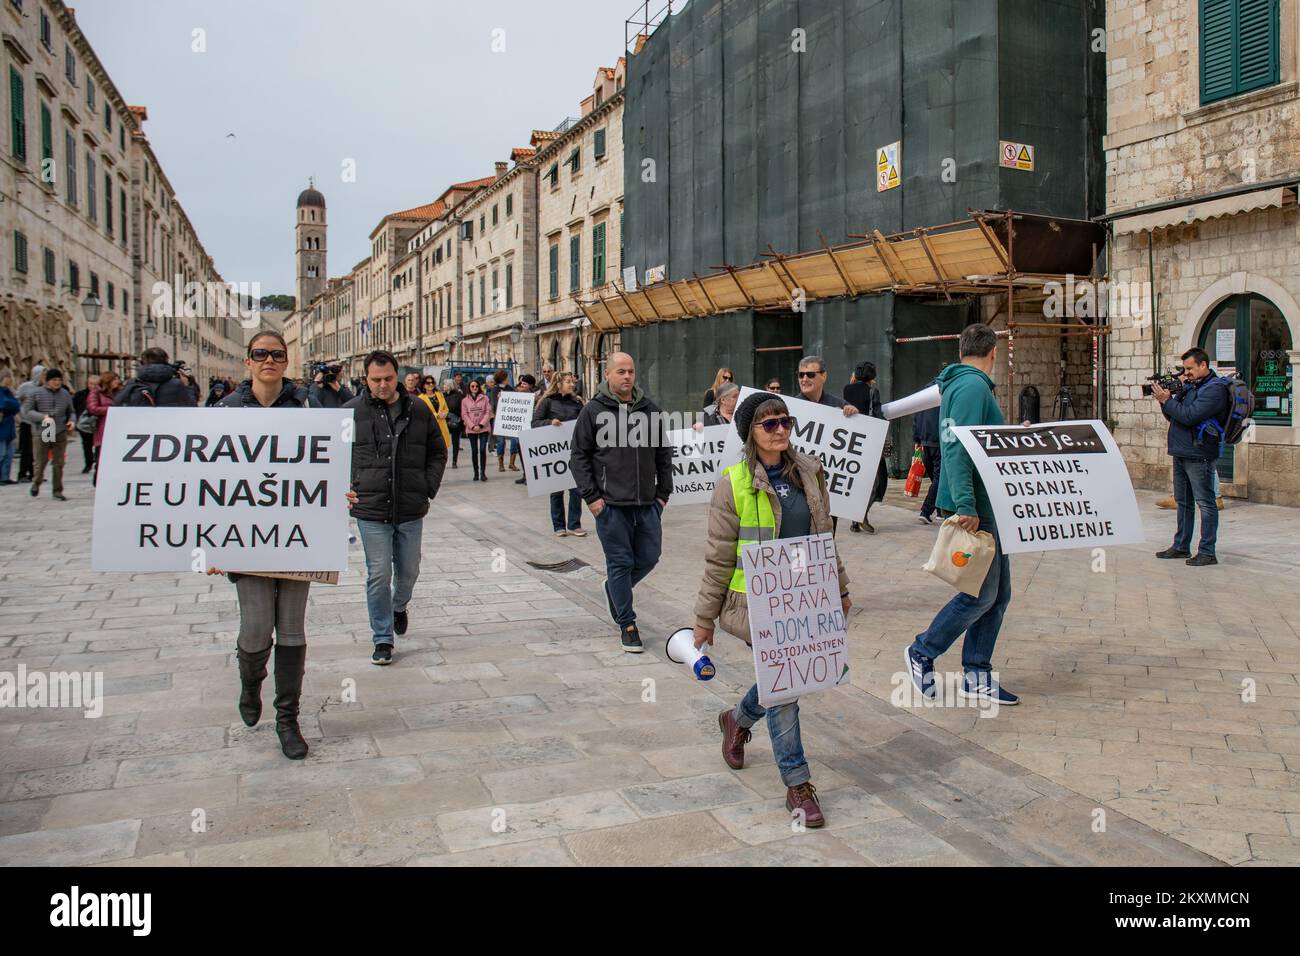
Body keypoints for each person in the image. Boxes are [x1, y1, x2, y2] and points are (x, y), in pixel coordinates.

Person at [693, 391, 849, 828]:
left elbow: (824, 539)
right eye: (769, 424)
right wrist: (704, 620)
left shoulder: (811, 472)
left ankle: (736, 719)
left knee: (779, 680)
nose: (780, 430)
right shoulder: (733, 482)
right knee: (785, 690)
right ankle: (797, 784)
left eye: (785, 421)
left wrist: (839, 587)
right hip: (755, 605)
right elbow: (719, 556)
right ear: (751, 433)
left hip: (805, 599)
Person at [210, 331, 314, 759]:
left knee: (291, 628)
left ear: (286, 362)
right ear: (248, 362)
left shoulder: (307, 409)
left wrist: (338, 493)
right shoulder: (225, 411)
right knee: (255, 628)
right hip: (247, 534)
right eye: (260, 354)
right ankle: (250, 683)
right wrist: (211, 541)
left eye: (276, 354)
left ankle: (287, 719)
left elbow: (325, 466)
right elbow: (206, 481)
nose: (268, 360)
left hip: (298, 532)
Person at [905, 324, 1019, 706]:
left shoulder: (962, 384)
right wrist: (966, 505)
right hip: (980, 507)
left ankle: (977, 673)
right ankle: (923, 651)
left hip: (988, 504)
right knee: (979, 596)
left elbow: (980, 440)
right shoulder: (972, 386)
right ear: (994, 353)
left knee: (998, 596)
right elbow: (956, 447)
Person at [344, 351, 447, 665]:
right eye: (376, 380)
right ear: (366, 379)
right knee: (378, 574)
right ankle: (383, 639)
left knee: (408, 571)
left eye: (388, 378)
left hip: (410, 506)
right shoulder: (350, 412)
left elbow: (438, 451)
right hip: (370, 507)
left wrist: (426, 487)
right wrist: (343, 486)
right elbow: (333, 456)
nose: (383, 385)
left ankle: (399, 605)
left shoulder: (418, 408)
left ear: (397, 376)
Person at [569, 351, 673, 653]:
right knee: (621, 563)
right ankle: (627, 624)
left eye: (631, 371)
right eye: (621, 372)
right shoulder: (593, 411)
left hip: (647, 504)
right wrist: (592, 499)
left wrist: (663, 494)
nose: (627, 376)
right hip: (611, 506)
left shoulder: (649, 410)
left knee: (650, 557)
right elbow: (579, 456)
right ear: (608, 375)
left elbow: (663, 454)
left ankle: (614, 590)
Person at [1152, 347, 1230, 567]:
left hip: (1200, 453)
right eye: (1184, 369)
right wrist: (1163, 401)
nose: (1185, 374)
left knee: (1206, 503)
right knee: (1183, 502)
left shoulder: (1215, 390)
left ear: (1203, 365)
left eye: (1189, 369)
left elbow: (1189, 416)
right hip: (1181, 450)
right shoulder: (1190, 386)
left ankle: (1207, 551)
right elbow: (1173, 416)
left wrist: (1169, 401)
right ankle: (1180, 546)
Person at [533, 372, 587, 537]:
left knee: (576, 489)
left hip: (573, 451)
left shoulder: (577, 402)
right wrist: (550, 422)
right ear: (559, 384)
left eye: (572, 382)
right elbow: (534, 423)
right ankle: (559, 526)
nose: (572, 384)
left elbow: (585, 423)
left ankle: (574, 524)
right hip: (554, 452)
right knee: (556, 490)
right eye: (569, 382)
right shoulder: (547, 402)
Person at [844, 362, 888, 534]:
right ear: (873, 377)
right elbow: (876, 413)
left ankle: (855, 520)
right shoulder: (872, 391)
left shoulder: (847, 389)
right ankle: (861, 515)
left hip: (851, 439)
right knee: (875, 481)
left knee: (856, 478)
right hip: (869, 439)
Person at [21, 367, 75, 500]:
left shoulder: (65, 394)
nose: (57, 382)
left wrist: (72, 421)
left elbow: (71, 411)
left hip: (60, 430)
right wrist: (42, 417)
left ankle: (57, 490)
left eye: (59, 380)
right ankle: (36, 482)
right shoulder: (36, 393)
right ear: (47, 381)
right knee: (41, 460)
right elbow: (27, 412)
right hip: (44, 429)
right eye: (54, 380)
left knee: (59, 462)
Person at [115, 348, 197, 407]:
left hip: (140, 429)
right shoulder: (176, 384)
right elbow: (191, 408)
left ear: (142, 363)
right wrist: (187, 386)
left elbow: (117, 405)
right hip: (169, 429)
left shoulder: (132, 383)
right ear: (166, 362)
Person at [86, 372, 122, 486]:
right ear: (109, 381)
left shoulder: (120, 392)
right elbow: (92, 408)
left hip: (118, 429)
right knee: (101, 459)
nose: (118, 381)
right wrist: (111, 410)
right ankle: (98, 483)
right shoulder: (96, 393)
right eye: (115, 379)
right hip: (102, 430)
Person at [913, 402, 942, 524]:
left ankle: (940, 510)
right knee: (939, 478)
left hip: (925, 442)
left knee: (936, 478)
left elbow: (916, 418)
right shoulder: (945, 393)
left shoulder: (925, 396)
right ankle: (926, 511)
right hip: (939, 442)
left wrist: (917, 439)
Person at [14, 363, 44, 482]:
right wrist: (22, 412)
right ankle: (22, 474)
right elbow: (16, 399)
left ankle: (35, 474)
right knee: (27, 450)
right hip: (27, 422)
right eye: (43, 374)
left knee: (39, 450)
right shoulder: (25, 386)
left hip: (41, 422)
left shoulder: (45, 388)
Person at [461, 378, 493, 480]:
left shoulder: (485, 398)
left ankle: (483, 473)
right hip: (471, 429)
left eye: (476, 386)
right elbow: (464, 414)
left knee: (482, 449)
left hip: (483, 428)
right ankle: (476, 472)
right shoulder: (464, 400)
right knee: (474, 451)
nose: (474, 388)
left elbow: (488, 412)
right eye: (472, 386)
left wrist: (481, 425)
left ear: (479, 387)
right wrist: (472, 426)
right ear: (469, 388)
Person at [512, 374, 537, 485]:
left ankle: (531, 476)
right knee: (521, 454)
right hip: (518, 430)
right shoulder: (516, 395)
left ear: (530, 386)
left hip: (529, 430)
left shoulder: (534, 397)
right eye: (522, 383)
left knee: (528, 455)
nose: (522, 385)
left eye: (525, 383)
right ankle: (525, 474)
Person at [72, 374, 100, 473]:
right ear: (87, 384)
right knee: (86, 445)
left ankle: (98, 462)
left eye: (96, 384)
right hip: (84, 424)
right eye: (91, 384)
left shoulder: (101, 395)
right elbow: (73, 408)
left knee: (98, 445)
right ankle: (88, 464)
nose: (93, 386)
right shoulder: (80, 395)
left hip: (97, 425)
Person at [418, 375, 452, 452]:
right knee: (432, 450)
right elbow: (422, 412)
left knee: (443, 451)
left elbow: (446, 408)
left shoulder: (439, 394)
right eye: (428, 383)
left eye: (432, 382)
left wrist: (444, 414)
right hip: (429, 427)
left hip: (442, 425)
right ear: (423, 385)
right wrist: (436, 415)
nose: (431, 384)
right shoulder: (421, 397)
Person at [0, 371, 19, 484]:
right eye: (8, 377)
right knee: (1, 453)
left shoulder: (9, 391)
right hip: (2, 427)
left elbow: (16, 406)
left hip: (9, 425)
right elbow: (4, 403)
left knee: (9, 454)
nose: (10, 379)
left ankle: (5, 476)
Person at [444, 374, 465, 469]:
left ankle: (454, 461)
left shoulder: (458, 395)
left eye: (445, 385)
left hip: (456, 422)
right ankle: (443, 460)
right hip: (445, 422)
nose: (443, 387)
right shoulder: (442, 395)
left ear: (449, 386)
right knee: (443, 442)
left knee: (455, 442)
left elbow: (459, 407)